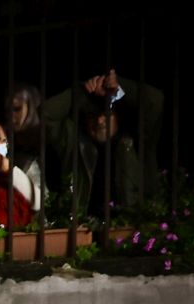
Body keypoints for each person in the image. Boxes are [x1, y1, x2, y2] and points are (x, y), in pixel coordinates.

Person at [43, 68, 163, 217]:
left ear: (117, 117)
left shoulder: (136, 141)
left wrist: (120, 86)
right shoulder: (73, 143)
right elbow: (46, 114)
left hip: (131, 227)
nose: (100, 121)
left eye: (106, 113)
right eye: (92, 115)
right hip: (83, 228)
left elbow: (155, 101)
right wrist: (80, 91)